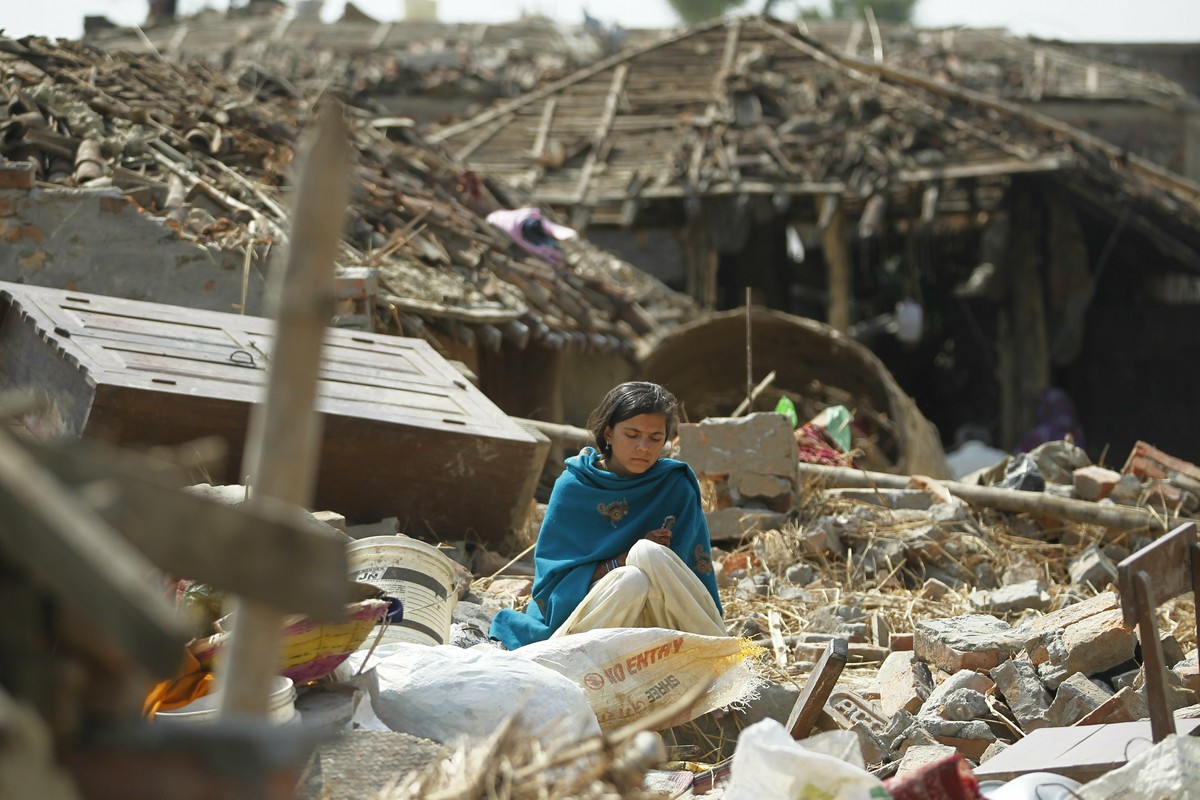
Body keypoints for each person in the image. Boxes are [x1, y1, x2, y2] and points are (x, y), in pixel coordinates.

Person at [490, 382, 725, 650]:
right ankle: (567, 660)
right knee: (631, 579)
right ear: (609, 434)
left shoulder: (675, 485)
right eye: (632, 435)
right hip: (593, 621)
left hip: (662, 624)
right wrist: (623, 560)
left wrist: (645, 555)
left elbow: (690, 576)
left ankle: (718, 654)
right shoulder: (575, 487)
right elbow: (555, 583)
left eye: (655, 438)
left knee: (650, 554)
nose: (643, 447)